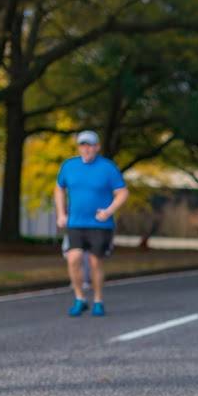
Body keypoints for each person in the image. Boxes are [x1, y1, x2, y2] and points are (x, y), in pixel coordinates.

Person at [55, 130, 128, 317]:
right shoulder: (69, 166)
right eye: (83, 145)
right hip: (75, 223)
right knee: (73, 258)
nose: (86, 149)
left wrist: (108, 211)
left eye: (90, 145)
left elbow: (122, 193)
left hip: (99, 224)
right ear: (79, 147)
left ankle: (98, 300)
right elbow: (59, 189)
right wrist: (61, 213)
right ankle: (80, 298)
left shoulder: (108, 168)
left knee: (95, 262)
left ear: (97, 147)